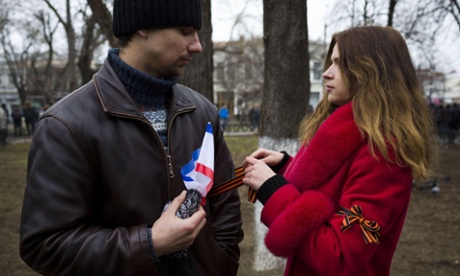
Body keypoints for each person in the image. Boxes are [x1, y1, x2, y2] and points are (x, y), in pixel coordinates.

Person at [19, 0, 243, 275]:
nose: (197, 45)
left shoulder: (202, 112)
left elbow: (225, 205)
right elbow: (45, 245)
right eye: (185, 30)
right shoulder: (65, 125)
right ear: (143, 27)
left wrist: (221, 263)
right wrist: (148, 244)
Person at [241, 26, 437, 276]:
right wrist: (287, 167)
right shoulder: (346, 132)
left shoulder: (385, 153)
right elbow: (335, 190)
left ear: (369, 70)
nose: (326, 73)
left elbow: (340, 255)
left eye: (339, 64)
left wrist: (274, 190)